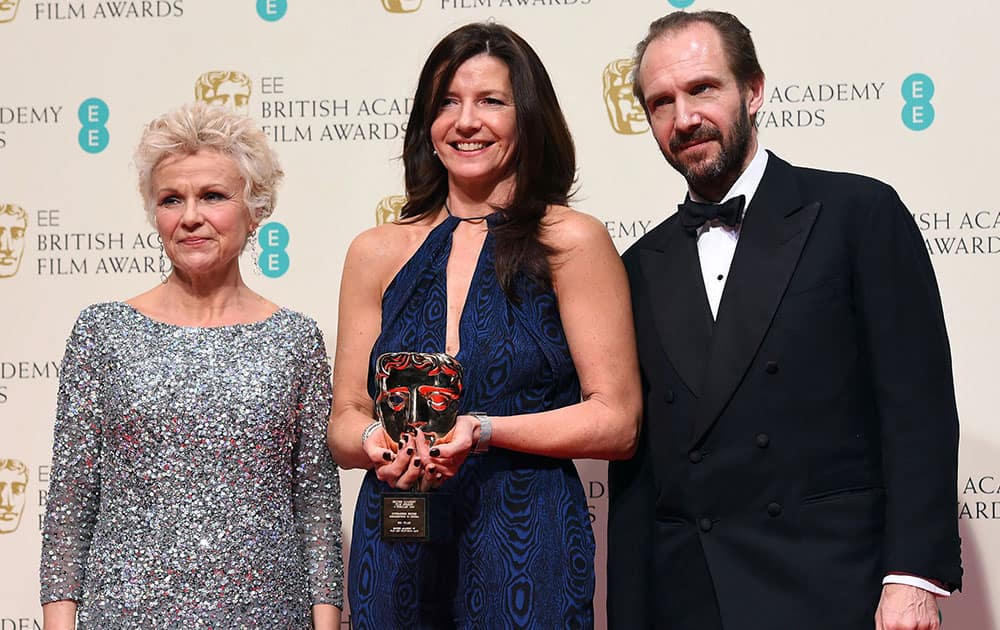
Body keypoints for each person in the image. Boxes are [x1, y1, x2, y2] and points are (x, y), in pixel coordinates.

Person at [607, 10, 962, 630]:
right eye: (661, 102)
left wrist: (912, 579)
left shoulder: (859, 214)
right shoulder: (637, 265)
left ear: (753, 89)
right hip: (690, 598)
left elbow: (918, 410)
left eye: (702, 89)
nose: (684, 117)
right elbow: (639, 476)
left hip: (836, 587)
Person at [327, 22, 641, 629]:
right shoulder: (374, 251)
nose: (465, 121)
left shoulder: (570, 241)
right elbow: (344, 418)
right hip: (396, 543)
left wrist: (485, 429)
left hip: (526, 536)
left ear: (528, 117)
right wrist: (377, 445)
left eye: (491, 101)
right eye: (447, 101)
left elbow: (617, 420)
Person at [39, 102, 343, 629]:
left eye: (213, 196)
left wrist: (327, 622)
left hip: (267, 613)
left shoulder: (296, 338)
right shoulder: (102, 332)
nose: (190, 217)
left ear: (255, 208)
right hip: (125, 614)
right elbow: (70, 500)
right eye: (171, 199)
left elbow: (315, 501)